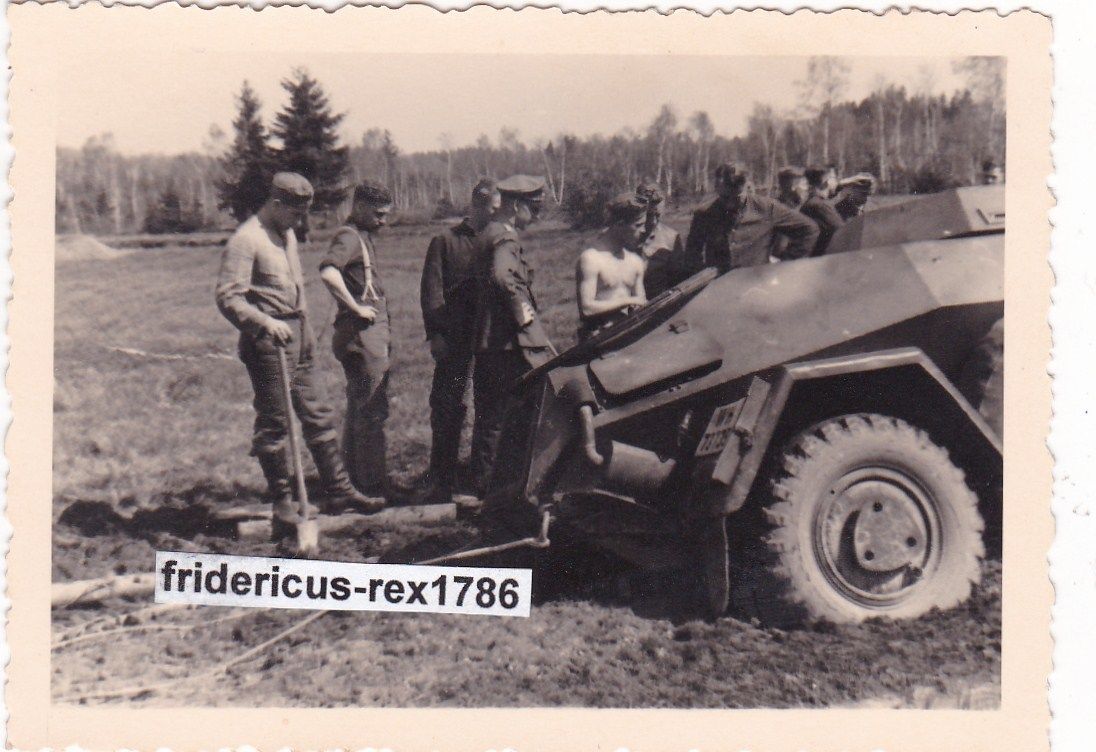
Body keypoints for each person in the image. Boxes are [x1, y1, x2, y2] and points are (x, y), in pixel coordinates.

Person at [215, 173, 382, 542]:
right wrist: (265, 323)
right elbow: (228, 297)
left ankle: (340, 491)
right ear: (276, 205)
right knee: (275, 423)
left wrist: (305, 327)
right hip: (268, 341)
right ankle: (282, 503)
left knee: (318, 412)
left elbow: (295, 285)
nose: (300, 221)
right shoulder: (247, 240)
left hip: (298, 334)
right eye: (295, 213)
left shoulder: (285, 233)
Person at [470, 174, 554, 499]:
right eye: (533, 209)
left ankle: (483, 484)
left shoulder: (486, 232)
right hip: (506, 342)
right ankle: (500, 490)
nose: (535, 216)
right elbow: (503, 276)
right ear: (516, 206)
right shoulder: (505, 237)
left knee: (489, 416)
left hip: (488, 339)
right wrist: (523, 312)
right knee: (510, 415)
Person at [418, 178, 501, 504]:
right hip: (454, 337)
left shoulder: (499, 240)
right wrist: (435, 334)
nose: (495, 215)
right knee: (448, 405)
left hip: (490, 338)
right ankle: (441, 476)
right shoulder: (446, 241)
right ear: (477, 205)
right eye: (492, 209)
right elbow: (431, 291)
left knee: (489, 406)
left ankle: (481, 476)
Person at [319, 182, 395, 499]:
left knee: (359, 409)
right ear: (360, 207)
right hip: (362, 335)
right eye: (378, 214)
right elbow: (328, 272)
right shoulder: (349, 237)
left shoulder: (361, 236)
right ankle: (373, 484)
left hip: (364, 335)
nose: (383, 221)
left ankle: (354, 480)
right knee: (372, 410)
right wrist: (355, 307)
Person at [684, 162, 819, 275]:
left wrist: (784, 264)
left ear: (747, 187)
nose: (730, 204)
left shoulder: (767, 208)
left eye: (736, 198)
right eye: (724, 197)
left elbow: (809, 230)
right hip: (720, 288)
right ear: (717, 188)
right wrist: (702, 274)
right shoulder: (704, 214)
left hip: (757, 285)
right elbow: (692, 253)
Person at [575, 192, 649, 340]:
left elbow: (641, 304)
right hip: (599, 341)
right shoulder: (591, 259)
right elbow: (587, 308)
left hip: (630, 338)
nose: (644, 230)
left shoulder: (635, 261)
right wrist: (629, 301)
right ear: (619, 224)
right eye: (638, 225)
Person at [635, 181, 687, 298]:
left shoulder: (671, 238)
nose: (653, 221)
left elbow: (677, 280)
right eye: (649, 216)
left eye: (657, 215)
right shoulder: (626, 235)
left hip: (659, 302)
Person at [801, 166, 846, 255]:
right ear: (826, 181)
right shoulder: (820, 205)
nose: (837, 182)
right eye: (834, 178)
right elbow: (843, 232)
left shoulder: (811, 203)